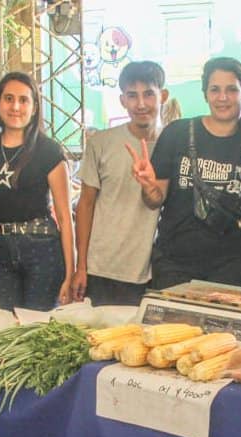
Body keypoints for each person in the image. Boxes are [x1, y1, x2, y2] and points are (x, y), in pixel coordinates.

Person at [129, 57, 241, 289]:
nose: (222, 98)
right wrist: (148, 186)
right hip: (175, 263)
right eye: (215, 89)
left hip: (228, 266)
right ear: (205, 94)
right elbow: (155, 200)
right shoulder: (178, 133)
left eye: (231, 90)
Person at [73, 61, 167, 306]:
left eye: (148, 94)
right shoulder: (101, 143)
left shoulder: (172, 145)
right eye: (132, 95)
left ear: (163, 96)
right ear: (123, 100)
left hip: (149, 272)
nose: (141, 104)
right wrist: (80, 265)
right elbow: (85, 205)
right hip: (101, 268)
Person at [0, 72, 74, 311]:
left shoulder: (49, 150)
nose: (15, 106)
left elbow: (64, 217)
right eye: (9, 98)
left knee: (38, 327)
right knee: (9, 328)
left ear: (34, 108)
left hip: (42, 248)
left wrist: (70, 273)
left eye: (24, 100)